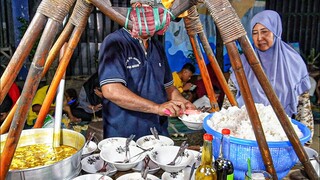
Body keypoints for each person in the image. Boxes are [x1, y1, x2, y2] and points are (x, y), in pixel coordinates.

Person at [98, 0, 195, 140]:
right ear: (136, 8)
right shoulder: (115, 41)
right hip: (124, 136)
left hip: (157, 132)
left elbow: (168, 87)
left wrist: (184, 104)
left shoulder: (157, 46)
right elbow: (111, 90)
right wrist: (157, 108)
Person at [223, 10, 314, 144]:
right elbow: (229, 101)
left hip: (280, 136)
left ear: (276, 31)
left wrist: (306, 140)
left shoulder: (294, 63)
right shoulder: (242, 63)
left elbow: (303, 106)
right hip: (246, 135)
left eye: (265, 31)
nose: (259, 38)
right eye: (254, 33)